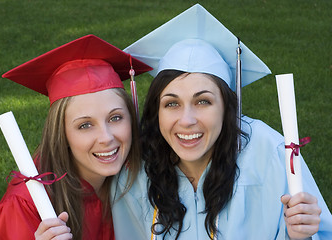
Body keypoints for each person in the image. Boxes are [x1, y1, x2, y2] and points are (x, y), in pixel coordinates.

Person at [111, 4, 332, 240]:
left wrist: (301, 235)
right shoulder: (136, 170)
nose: (186, 120)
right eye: (171, 103)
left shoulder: (270, 154)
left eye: (203, 101)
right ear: (157, 111)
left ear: (226, 108)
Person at [0, 34, 151, 240]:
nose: (106, 137)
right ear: (61, 134)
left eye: (116, 117)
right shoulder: (28, 202)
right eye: (85, 125)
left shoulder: (139, 175)